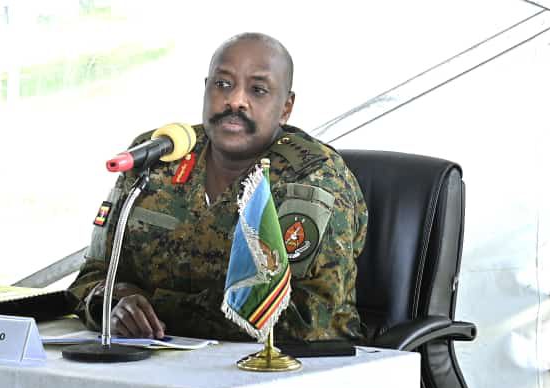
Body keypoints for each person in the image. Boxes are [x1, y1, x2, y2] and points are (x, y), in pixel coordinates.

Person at [67, 33, 367, 342]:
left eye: (258, 90)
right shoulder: (160, 156)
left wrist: (159, 309)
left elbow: (311, 320)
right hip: (154, 365)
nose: (235, 100)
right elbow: (91, 278)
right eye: (223, 84)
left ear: (286, 107)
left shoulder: (312, 176)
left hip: (291, 373)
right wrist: (115, 306)